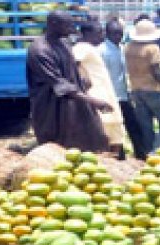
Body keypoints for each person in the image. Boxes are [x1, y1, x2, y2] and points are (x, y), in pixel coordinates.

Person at [26, 11, 110, 152]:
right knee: (58, 146)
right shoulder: (40, 50)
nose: (72, 29)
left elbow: (70, 70)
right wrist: (92, 101)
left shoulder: (64, 43)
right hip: (52, 108)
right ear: (53, 25)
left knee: (90, 140)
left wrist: (82, 80)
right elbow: (58, 83)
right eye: (67, 26)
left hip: (74, 103)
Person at [126, 18, 160, 154]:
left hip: (136, 90)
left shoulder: (128, 47)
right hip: (153, 90)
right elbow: (156, 72)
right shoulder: (153, 48)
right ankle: (156, 152)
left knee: (146, 125)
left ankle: (147, 152)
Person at [74, 21, 126, 152]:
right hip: (98, 96)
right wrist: (79, 79)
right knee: (106, 132)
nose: (101, 36)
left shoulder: (91, 48)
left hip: (104, 94)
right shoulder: (82, 47)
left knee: (113, 133)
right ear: (86, 34)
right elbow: (72, 63)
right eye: (98, 33)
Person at [100, 20, 146, 160]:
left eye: (120, 33)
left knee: (133, 126)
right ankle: (119, 157)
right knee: (116, 128)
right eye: (115, 33)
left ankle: (140, 155)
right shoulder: (101, 51)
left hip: (123, 95)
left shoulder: (121, 48)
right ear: (107, 33)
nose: (118, 36)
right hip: (111, 96)